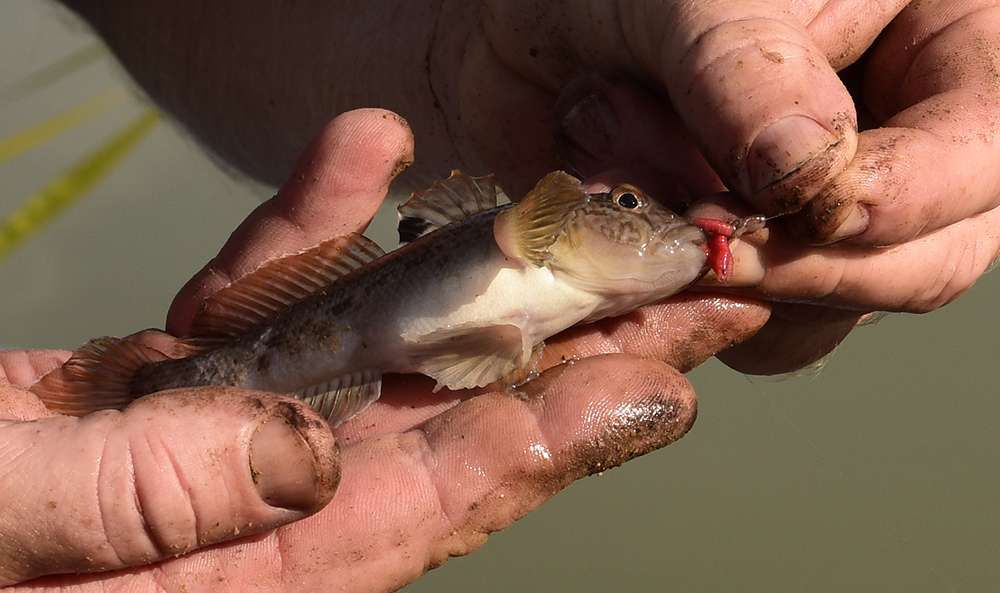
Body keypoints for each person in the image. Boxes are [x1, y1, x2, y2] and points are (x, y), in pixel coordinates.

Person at [3, 0, 999, 589]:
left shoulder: (570, 275)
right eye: (629, 207)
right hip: (314, 341)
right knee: (259, 368)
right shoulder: (541, 222)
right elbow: (547, 204)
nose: (661, 226)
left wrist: (469, 47)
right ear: (567, 215)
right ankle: (144, 388)